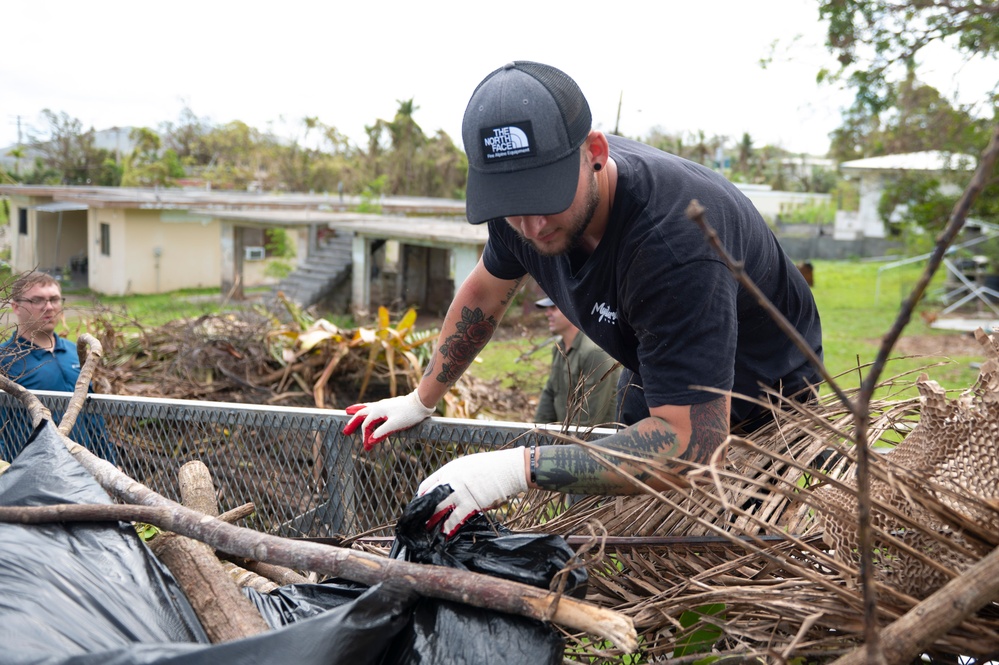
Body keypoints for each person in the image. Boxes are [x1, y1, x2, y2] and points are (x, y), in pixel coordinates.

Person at [343, 61, 822, 537]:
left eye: (544, 198)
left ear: (595, 152)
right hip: (659, 376)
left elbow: (689, 443)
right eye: (512, 207)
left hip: (765, 402)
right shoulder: (519, 207)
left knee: (720, 557)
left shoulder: (673, 247)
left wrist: (512, 470)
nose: (531, 227)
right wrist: (421, 398)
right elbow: (486, 290)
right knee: (636, 539)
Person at [0, 272, 115, 463]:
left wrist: (109, 461)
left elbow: (93, 417)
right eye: (38, 300)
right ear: (16, 306)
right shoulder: (5, 359)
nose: (49, 307)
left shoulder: (74, 352)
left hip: (84, 469)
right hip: (33, 473)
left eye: (54, 299)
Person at [533, 296, 620, 428]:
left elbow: (588, 420)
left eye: (553, 307)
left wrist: (561, 445)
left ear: (570, 309)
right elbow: (549, 394)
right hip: (566, 439)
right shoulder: (559, 349)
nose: (547, 313)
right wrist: (538, 435)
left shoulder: (595, 353)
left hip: (595, 444)